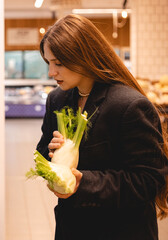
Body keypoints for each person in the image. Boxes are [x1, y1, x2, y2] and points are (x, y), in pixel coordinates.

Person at [36, 14, 168, 240]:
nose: (51, 72)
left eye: (58, 63)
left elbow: (150, 180)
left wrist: (82, 182)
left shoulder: (129, 105)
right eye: (48, 62)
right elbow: (42, 155)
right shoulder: (57, 99)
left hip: (122, 230)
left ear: (83, 56)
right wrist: (52, 155)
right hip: (71, 227)